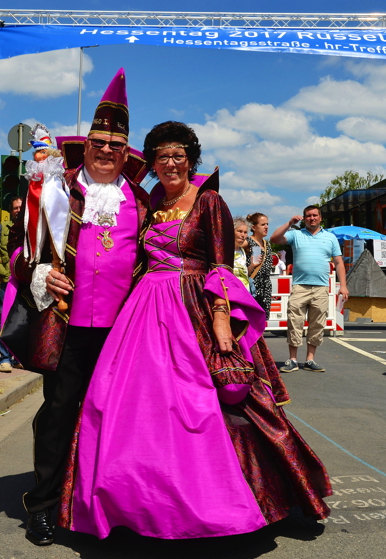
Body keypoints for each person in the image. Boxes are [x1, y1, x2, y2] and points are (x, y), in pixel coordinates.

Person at [60, 121, 332, 540]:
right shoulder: (148, 202)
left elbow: (221, 264)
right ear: (151, 163)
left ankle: (234, 500)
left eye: (178, 156)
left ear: (191, 160)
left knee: (212, 402)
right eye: (161, 157)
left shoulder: (208, 201)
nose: (170, 164)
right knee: (123, 403)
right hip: (144, 309)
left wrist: (221, 319)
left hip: (194, 309)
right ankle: (132, 500)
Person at [6, 69, 151, 547]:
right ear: (84, 145)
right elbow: (19, 254)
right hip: (66, 326)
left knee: (117, 419)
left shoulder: (144, 202)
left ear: (126, 152)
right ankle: (43, 505)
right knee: (58, 413)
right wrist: (41, 273)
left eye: (115, 144)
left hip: (124, 333)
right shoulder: (54, 190)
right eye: (98, 141)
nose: (106, 150)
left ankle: (103, 503)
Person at [270, 206, 349, 373]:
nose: (311, 218)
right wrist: (289, 223)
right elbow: (274, 239)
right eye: (308, 216)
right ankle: (292, 359)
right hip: (300, 286)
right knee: (294, 322)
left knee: (317, 324)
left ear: (320, 218)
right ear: (304, 218)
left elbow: (339, 262)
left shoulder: (330, 238)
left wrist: (343, 285)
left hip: (321, 287)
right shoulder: (296, 234)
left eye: (314, 215)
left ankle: (310, 360)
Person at [0, 195, 22, 373]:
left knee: (22, 320)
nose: (18, 210)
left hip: (26, 281)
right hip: (8, 280)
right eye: (15, 208)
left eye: (20, 207)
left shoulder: (30, 227)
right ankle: (4, 358)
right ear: (10, 211)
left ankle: (18, 356)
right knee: (5, 318)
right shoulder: (2, 228)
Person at [247, 212, 273, 319]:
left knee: (262, 320)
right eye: (263, 225)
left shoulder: (267, 243)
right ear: (253, 227)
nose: (266, 227)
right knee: (250, 319)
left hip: (265, 286)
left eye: (267, 224)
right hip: (253, 284)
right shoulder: (247, 242)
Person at [233, 217, 251, 290]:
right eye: (240, 231)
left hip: (244, 292)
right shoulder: (226, 251)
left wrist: (252, 265)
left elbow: (245, 274)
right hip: (232, 292)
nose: (243, 235)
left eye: (245, 232)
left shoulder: (242, 251)